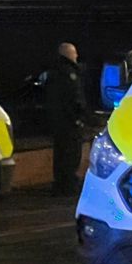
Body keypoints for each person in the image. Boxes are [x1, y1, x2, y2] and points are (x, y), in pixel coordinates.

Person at [45, 42, 88, 196]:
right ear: (68, 54)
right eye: (74, 53)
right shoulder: (70, 74)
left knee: (60, 154)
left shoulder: (54, 72)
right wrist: (79, 117)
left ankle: (60, 184)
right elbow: (75, 98)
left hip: (58, 122)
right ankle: (68, 186)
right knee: (71, 154)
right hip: (70, 122)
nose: (76, 56)